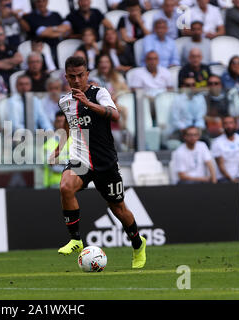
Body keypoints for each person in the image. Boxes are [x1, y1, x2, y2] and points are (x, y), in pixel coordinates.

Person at [53, 56, 146, 269]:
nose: (76, 80)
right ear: (66, 77)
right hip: (80, 158)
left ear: (87, 75)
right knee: (66, 187)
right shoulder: (65, 101)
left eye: (80, 75)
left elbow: (115, 115)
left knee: (119, 208)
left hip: (105, 162)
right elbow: (70, 123)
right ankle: (76, 240)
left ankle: (138, 243)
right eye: (72, 77)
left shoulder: (99, 93)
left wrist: (88, 103)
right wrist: (61, 144)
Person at [20, 0, 71, 64]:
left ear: (47, 2)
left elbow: (67, 28)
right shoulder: (30, 17)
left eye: (43, 1)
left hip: (58, 46)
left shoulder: (56, 14)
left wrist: (51, 29)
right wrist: (58, 30)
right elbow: (42, 33)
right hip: (40, 49)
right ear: (35, 3)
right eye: (39, 1)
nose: (41, 3)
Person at [211, 115, 239, 183]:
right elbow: (220, 165)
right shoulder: (217, 142)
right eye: (226, 123)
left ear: (236, 125)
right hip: (223, 178)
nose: (229, 126)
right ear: (222, 126)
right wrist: (231, 179)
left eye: (231, 123)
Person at [169, 77, 208, 141]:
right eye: (188, 85)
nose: (191, 87)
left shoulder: (200, 98)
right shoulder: (177, 99)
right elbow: (175, 119)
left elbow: (201, 117)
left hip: (197, 129)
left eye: (193, 85)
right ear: (184, 87)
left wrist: (197, 129)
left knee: (206, 140)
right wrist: (185, 129)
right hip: (182, 130)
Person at [43, 112, 71, 188]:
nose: (61, 124)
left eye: (63, 121)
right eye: (58, 121)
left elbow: (80, 162)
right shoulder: (49, 143)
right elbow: (52, 164)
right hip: (54, 184)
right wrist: (69, 162)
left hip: (72, 183)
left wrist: (59, 161)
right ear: (54, 123)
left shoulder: (75, 141)